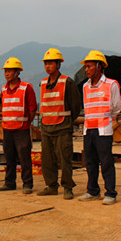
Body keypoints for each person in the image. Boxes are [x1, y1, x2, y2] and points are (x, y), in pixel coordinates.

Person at [77, 50, 121, 205]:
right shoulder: (85, 87)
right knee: (90, 162)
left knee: (106, 162)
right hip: (88, 129)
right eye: (86, 67)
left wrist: (106, 119)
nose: (86, 69)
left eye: (89, 66)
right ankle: (92, 191)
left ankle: (110, 193)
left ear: (99, 66)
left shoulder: (111, 85)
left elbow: (117, 107)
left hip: (103, 130)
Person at [37, 48, 81, 200]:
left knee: (65, 159)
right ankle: (51, 186)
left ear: (58, 65)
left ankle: (68, 187)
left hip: (62, 127)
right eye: (46, 63)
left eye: (51, 63)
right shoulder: (43, 83)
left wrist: (68, 121)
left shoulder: (67, 82)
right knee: (47, 160)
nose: (48, 66)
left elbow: (75, 106)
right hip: (46, 127)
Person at [0, 57, 38, 194]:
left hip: (21, 129)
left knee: (24, 157)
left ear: (17, 72)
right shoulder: (4, 89)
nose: (7, 74)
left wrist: (27, 122)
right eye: (6, 71)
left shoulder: (27, 88)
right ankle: (9, 182)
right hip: (7, 128)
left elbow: (32, 108)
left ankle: (27, 184)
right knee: (9, 158)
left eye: (9, 71)